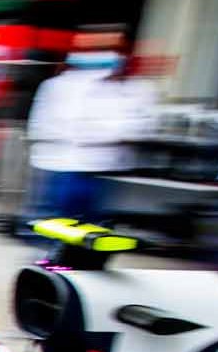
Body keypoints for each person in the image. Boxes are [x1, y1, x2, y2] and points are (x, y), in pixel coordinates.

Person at [24, 27, 154, 225]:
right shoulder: (57, 85)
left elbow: (139, 126)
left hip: (103, 169)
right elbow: (46, 125)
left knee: (91, 227)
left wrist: (99, 132)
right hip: (59, 166)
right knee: (57, 224)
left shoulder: (134, 87)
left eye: (107, 47)